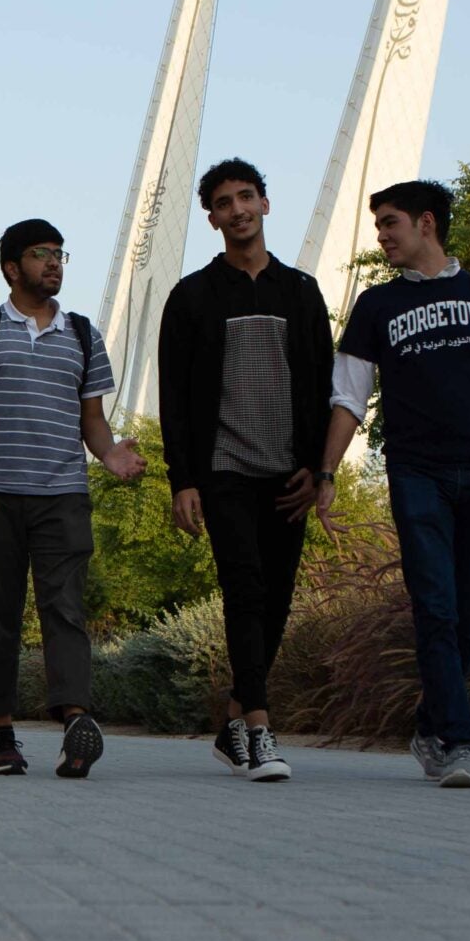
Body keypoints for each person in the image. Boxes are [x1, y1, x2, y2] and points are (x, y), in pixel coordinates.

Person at [318, 180, 470, 789]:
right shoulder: (376, 307)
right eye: (378, 226)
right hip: (414, 472)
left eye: (390, 223)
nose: (382, 236)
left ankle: (429, 724)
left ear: (426, 222)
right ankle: (461, 741)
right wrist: (327, 473)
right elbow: (348, 396)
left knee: (469, 612)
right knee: (435, 605)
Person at [0, 218, 144, 778]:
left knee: (65, 611)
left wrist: (111, 456)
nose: (53, 263)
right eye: (40, 254)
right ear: (11, 267)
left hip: (63, 495)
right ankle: (0, 735)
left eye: (59, 254)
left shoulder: (82, 334)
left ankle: (76, 725)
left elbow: (93, 423)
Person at [156, 158, 336, 786]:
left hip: (289, 474)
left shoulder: (301, 292)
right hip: (224, 469)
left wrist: (318, 468)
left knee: (278, 599)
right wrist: (183, 479)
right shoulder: (192, 297)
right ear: (211, 218)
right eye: (224, 202)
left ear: (265, 204)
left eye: (247, 197)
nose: (238, 210)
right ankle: (259, 729)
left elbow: (324, 385)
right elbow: (173, 398)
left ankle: (231, 721)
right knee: (245, 588)